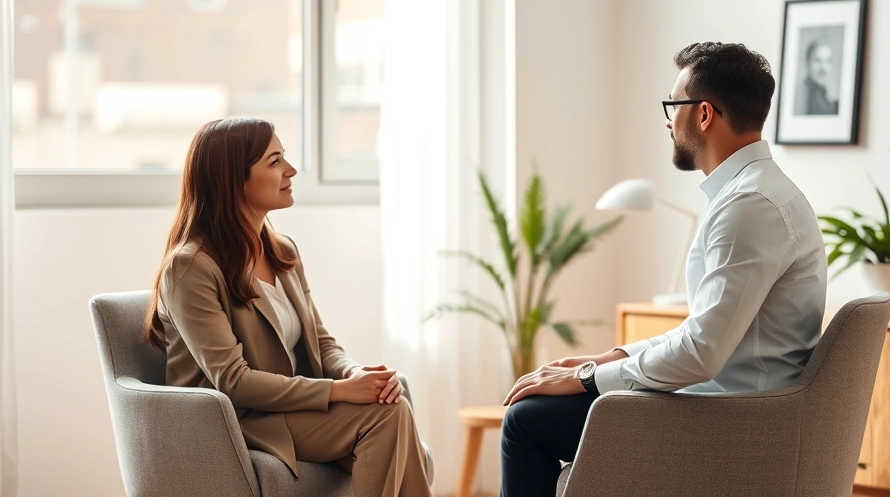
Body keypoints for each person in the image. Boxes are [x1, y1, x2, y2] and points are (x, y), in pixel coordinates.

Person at [498, 42, 827, 497]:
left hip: (736, 425)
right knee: (538, 411)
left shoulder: (748, 206)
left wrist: (586, 378)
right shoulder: (760, 192)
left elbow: (700, 354)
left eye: (673, 107)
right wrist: (609, 359)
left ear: (704, 114)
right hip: (744, 407)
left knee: (525, 421)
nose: (668, 122)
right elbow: (704, 332)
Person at [143, 118, 433, 497]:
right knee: (387, 417)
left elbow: (321, 343)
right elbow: (233, 380)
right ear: (234, 179)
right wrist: (339, 391)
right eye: (275, 161)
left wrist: (355, 372)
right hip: (237, 420)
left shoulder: (282, 251)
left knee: (393, 406)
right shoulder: (191, 267)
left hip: (290, 409)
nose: (291, 170)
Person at [794, 40, 839, 116]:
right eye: (818, 61)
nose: (823, 68)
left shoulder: (825, 95)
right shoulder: (801, 94)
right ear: (807, 62)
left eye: (828, 61)